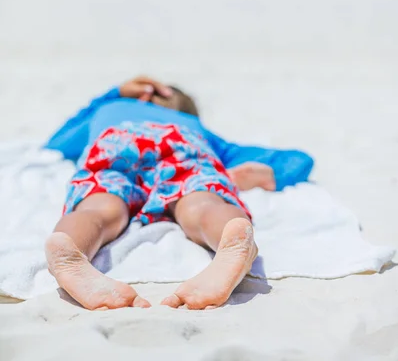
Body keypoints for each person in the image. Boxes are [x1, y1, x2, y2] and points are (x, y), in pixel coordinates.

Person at [45, 76, 313, 311]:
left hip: (116, 142)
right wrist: (270, 174)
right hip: (181, 144)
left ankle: (71, 248)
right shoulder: (193, 126)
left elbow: (58, 143)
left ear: (142, 96)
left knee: (98, 209)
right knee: (201, 205)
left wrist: (115, 93)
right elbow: (300, 160)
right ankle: (231, 238)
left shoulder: (111, 109)